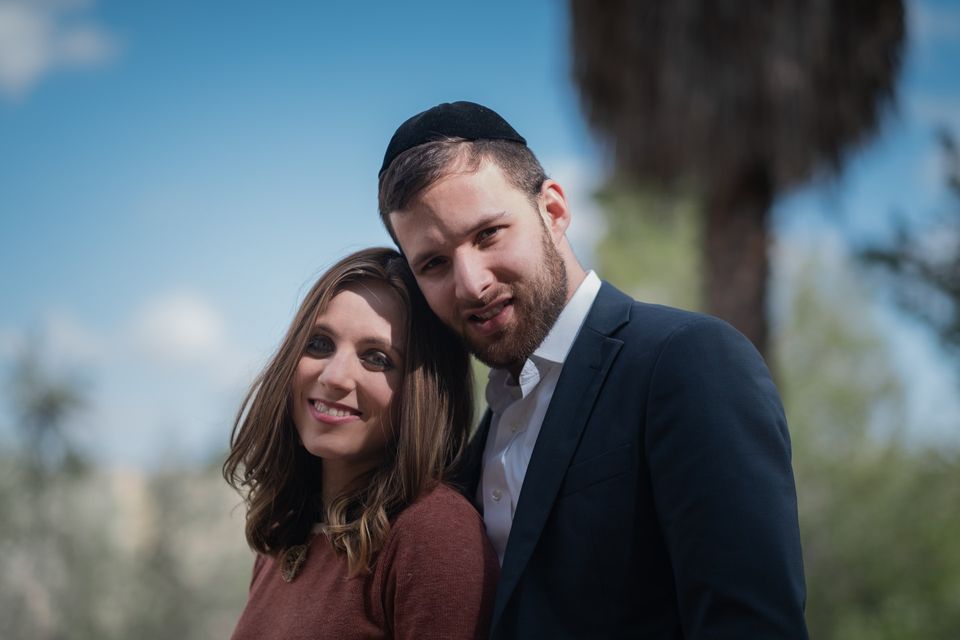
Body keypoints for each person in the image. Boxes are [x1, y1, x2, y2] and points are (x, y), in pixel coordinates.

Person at [377, 101, 808, 639]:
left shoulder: (687, 361)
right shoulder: (469, 456)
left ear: (553, 211)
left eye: (488, 234)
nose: (471, 283)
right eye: (434, 264)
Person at [224, 247, 499, 640]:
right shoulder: (285, 537)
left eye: (377, 358)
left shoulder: (434, 535)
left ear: (422, 393)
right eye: (319, 344)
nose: (335, 376)